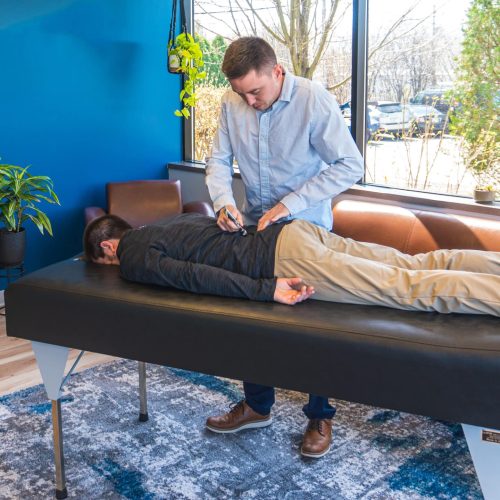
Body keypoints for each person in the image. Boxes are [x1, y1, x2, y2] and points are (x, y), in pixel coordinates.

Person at [84, 213, 500, 458]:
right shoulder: (171, 224)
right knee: (412, 264)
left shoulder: (132, 253)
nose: (109, 269)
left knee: (403, 289)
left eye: (102, 262)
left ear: (106, 247)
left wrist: (267, 289)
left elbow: (195, 277)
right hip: (293, 231)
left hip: (286, 258)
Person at [204, 36, 364, 456]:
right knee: (252, 319)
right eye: (242, 93)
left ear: (277, 72)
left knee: (313, 327)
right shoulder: (231, 102)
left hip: (306, 227)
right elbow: (219, 161)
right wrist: (222, 201)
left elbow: (351, 165)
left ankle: (320, 416)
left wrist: (289, 203)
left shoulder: (314, 100)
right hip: (254, 228)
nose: (250, 101)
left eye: (255, 91)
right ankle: (257, 406)